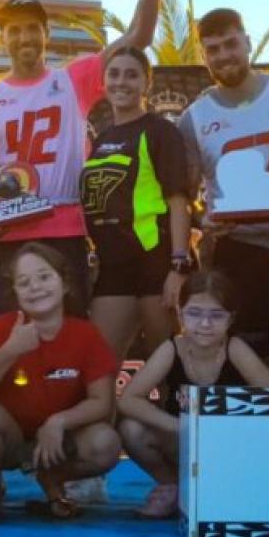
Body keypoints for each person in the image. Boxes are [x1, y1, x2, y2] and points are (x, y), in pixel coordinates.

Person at [0, 0, 161, 337]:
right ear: (2, 39)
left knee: (65, 343)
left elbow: (138, 37)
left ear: (45, 35)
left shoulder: (75, 79)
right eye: (14, 30)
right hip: (7, 233)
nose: (24, 37)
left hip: (65, 229)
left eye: (31, 28)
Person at [175, 8, 269, 376]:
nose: (224, 55)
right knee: (251, 360)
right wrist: (203, 220)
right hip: (240, 253)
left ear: (248, 42)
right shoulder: (194, 118)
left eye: (231, 44)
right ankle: (261, 433)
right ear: (203, 56)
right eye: (213, 49)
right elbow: (183, 196)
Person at [0, 243, 122, 524]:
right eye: (24, 282)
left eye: (44, 277)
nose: (35, 287)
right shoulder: (2, 327)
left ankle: (52, 480)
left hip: (61, 442)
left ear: (65, 284)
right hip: (9, 438)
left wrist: (58, 422)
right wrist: (11, 349)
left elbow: (102, 403)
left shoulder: (86, 334)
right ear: (16, 293)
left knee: (105, 442)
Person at [117, 270, 269, 518]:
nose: (205, 324)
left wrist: (234, 431)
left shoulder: (234, 348)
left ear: (231, 319)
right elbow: (128, 399)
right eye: (194, 313)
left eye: (216, 315)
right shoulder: (173, 349)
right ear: (180, 314)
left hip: (229, 450)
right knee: (131, 429)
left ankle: (221, 489)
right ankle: (173, 485)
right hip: (183, 445)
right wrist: (181, 426)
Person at [81, 46, 191, 359]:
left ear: (147, 83)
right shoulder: (102, 139)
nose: (121, 82)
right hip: (113, 267)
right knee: (99, 369)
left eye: (132, 75)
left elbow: (179, 201)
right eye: (114, 74)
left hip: (155, 262)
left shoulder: (161, 132)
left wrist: (179, 265)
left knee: (168, 366)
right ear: (103, 82)